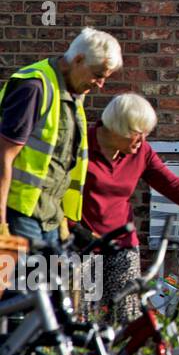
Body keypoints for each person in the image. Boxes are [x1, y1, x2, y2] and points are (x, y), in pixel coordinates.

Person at [79, 93, 179, 323]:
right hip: (81, 243)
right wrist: (72, 228)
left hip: (121, 245)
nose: (142, 140)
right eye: (137, 134)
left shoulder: (140, 152)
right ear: (118, 129)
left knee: (125, 317)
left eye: (146, 134)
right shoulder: (79, 146)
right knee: (80, 318)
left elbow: (172, 185)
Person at [0, 28, 122, 254]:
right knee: (22, 288)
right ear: (78, 60)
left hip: (50, 218)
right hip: (19, 215)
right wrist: (1, 224)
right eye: (98, 74)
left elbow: (60, 164)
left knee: (51, 287)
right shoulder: (34, 87)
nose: (100, 84)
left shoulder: (72, 94)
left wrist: (63, 220)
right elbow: (3, 156)